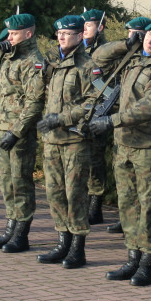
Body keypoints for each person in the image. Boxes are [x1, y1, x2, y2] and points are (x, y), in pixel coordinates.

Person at [88, 18, 151, 285]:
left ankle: (147, 263)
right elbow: (97, 59)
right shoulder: (134, 59)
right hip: (125, 144)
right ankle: (131, 258)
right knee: (127, 205)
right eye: (149, 36)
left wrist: (111, 121)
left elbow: (150, 107)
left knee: (149, 206)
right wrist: (124, 44)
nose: (150, 42)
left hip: (150, 147)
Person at [36, 14, 95, 268]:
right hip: (52, 140)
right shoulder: (52, 61)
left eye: (67, 33)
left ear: (80, 36)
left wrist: (60, 118)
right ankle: (62, 241)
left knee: (75, 194)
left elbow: (94, 102)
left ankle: (77, 248)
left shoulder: (87, 64)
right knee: (55, 192)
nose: (61, 37)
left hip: (73, 139)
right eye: (58, 33)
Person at [0, 12, 45, 253]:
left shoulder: (33, 60)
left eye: (14, 34)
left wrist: (17, 131)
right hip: (1, 127)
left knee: (20, 182)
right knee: (6, 182)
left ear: (28, 34)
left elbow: (34, 101)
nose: (9, 38)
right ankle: (11, 227)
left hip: (17, 133)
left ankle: (21, 233)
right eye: (9, 34)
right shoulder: (9, 56)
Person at [103, 15, 151, 233]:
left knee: (144, 192)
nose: (132, 36)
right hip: (123, 133)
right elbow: (99, 57)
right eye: (129, 32)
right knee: (126, 189)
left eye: (136, 33)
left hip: (145, 136)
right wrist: (126, 44)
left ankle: (140, 231)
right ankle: (127, 222)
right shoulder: (129, 56)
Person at [82, 8, 110, 227]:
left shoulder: (105, 51)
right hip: (78, 111)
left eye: (89, 25)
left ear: (99, 27)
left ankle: (95, 205)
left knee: (95, 161)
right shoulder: (78, 50)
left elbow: (109, 85)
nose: (84, 29)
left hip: (99, 109)